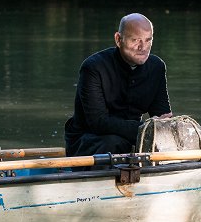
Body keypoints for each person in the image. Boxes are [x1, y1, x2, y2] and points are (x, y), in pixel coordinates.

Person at [64, 13, 173, 159]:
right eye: (136, 40)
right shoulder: (93, 67)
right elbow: (98, 123)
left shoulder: (156, 67)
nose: (143, 47)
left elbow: (161, 116)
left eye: (148, 40)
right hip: (89, 141)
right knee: (114, 143)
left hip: (132, 139)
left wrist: (164, 126)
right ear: (118, 39)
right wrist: (145, 129)